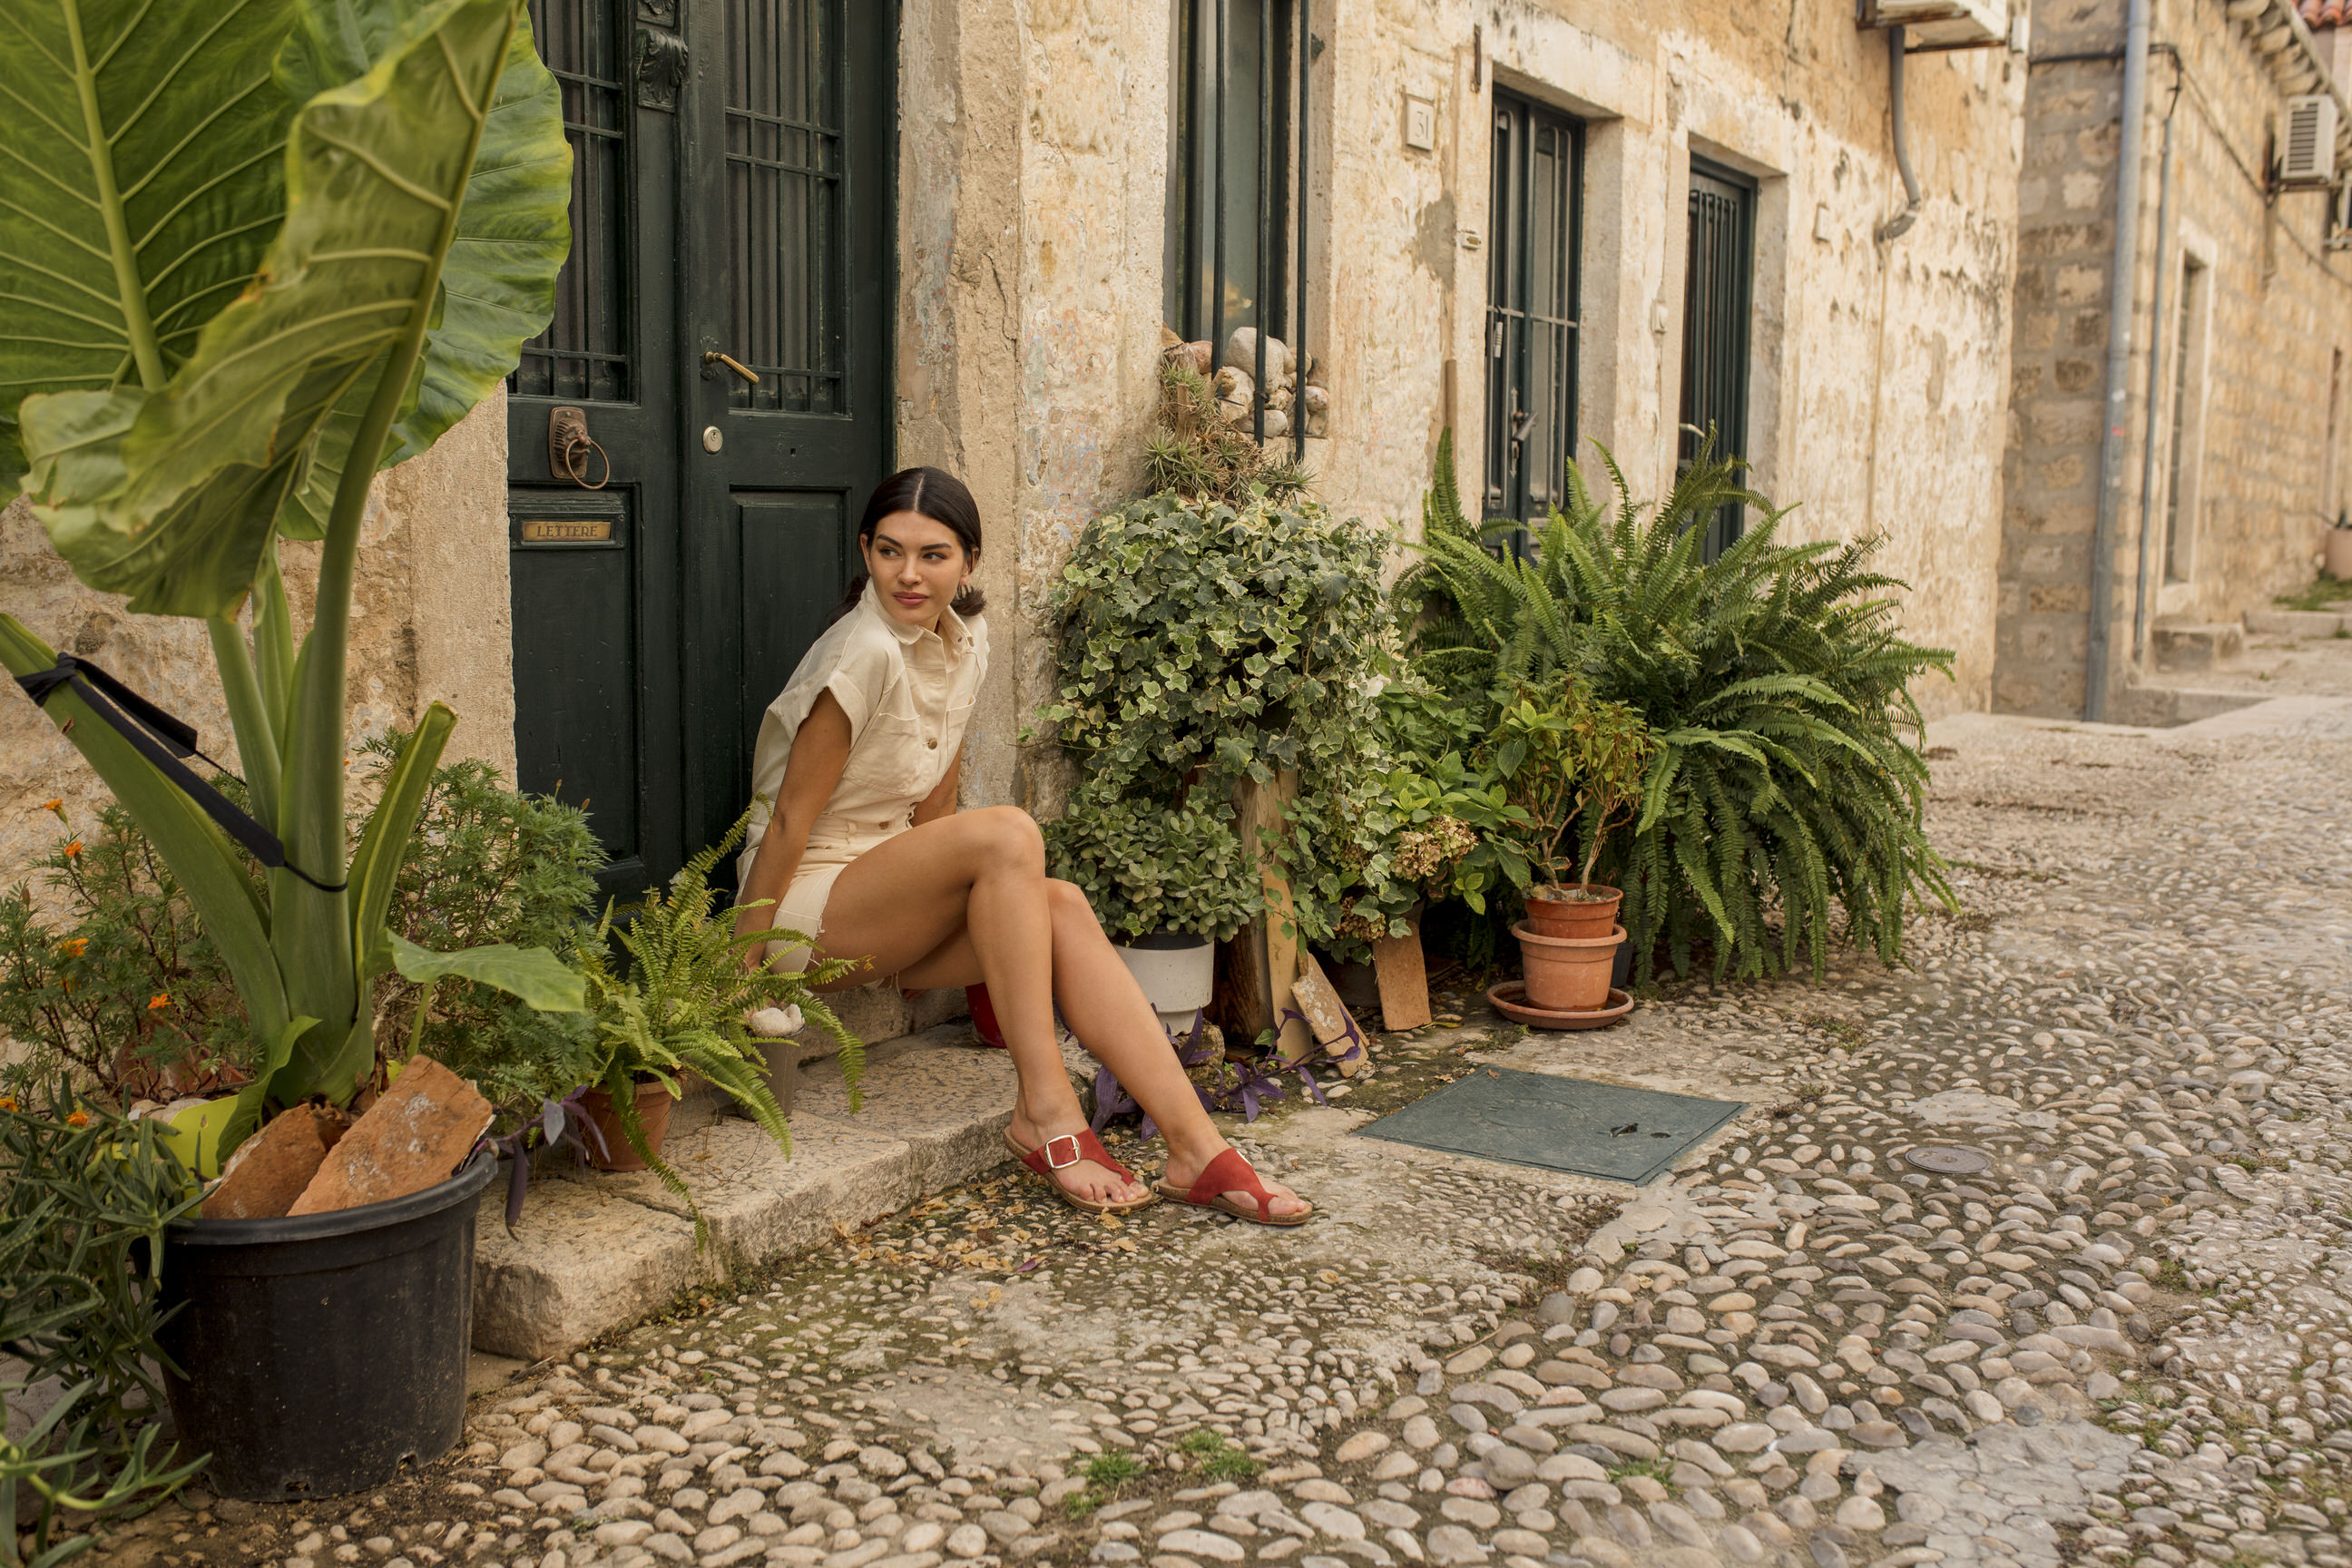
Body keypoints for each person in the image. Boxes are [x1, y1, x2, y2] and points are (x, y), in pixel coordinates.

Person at [732, 466, 1310, 1225]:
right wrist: (738, 971)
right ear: (865, 551)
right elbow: (786, 825)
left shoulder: (965, 642)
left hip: (885, 901)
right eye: (890, 551)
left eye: (933, 555)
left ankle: (1195, 1147)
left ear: (968, 562)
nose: (909, 574)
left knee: (1059, 905)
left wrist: (953, 929)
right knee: (1010, 831)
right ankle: (1045, 1107)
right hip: (805, 911)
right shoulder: (862, 652)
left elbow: (934, 803)